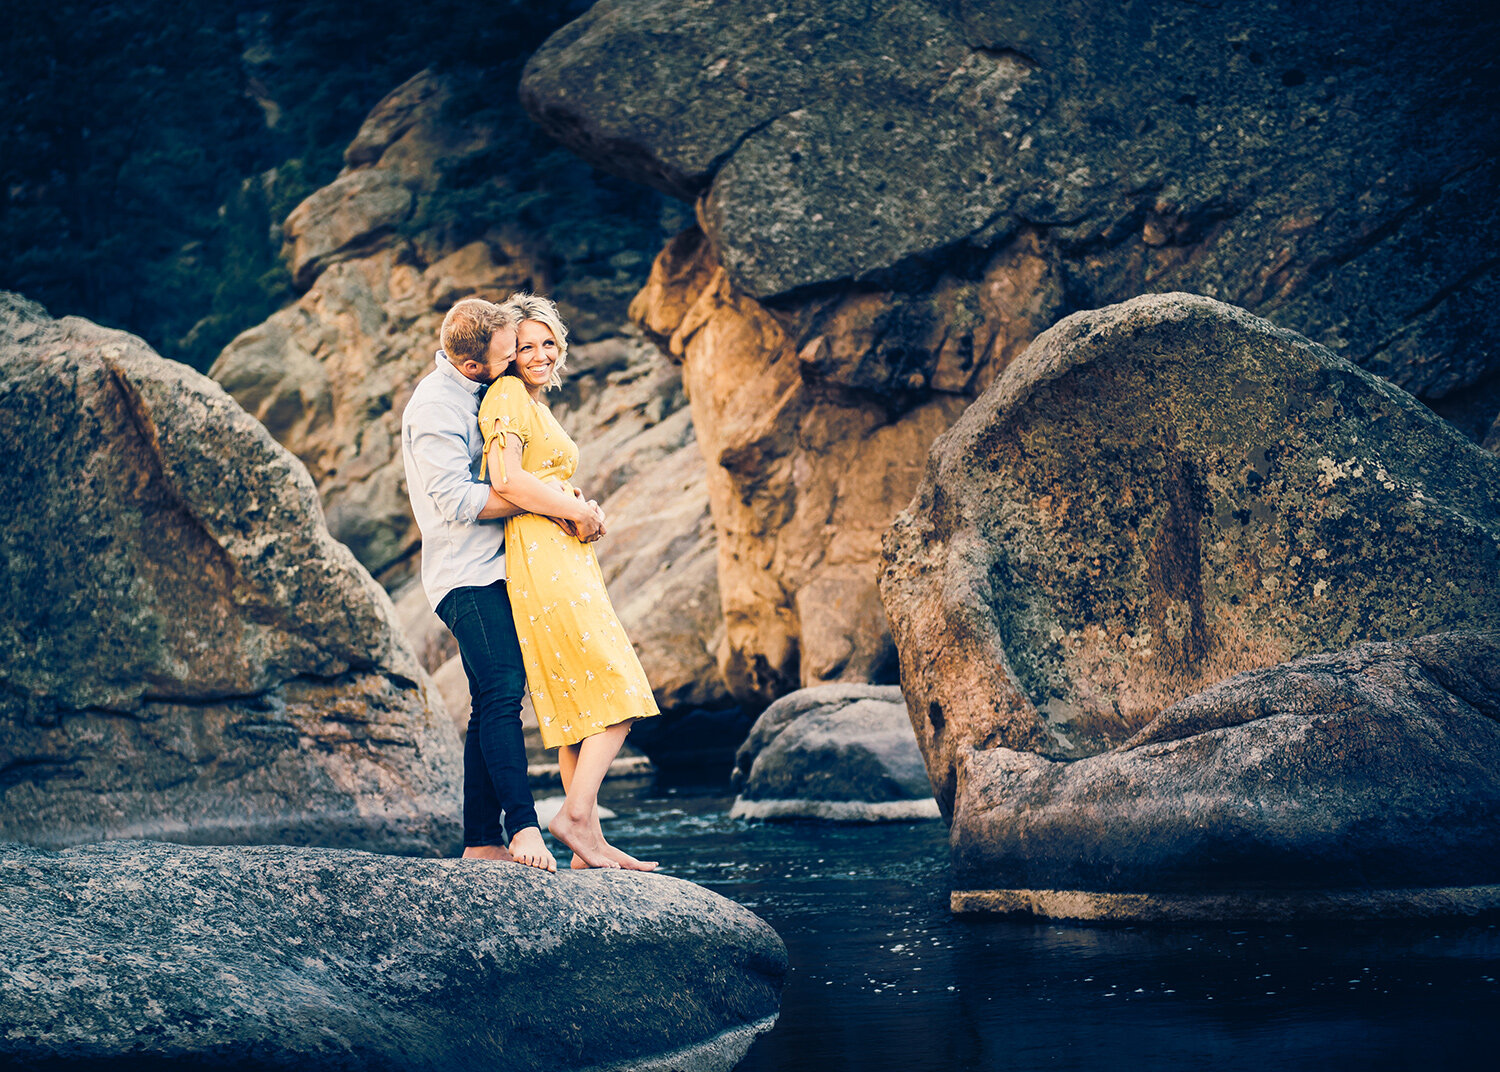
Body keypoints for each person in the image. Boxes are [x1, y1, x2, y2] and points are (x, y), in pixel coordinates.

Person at [400, 297, 606, 872]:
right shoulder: (436, 407)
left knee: (488, 701)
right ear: (473, 365)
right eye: (508, 352)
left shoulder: (490, 391)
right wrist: (557, 507)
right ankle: (523, 829)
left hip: (503, 568)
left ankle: (479, 841)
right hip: (464, 576)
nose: (518, 358)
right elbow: (457, 500)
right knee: (502, 693)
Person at [478, 292, 661, 871]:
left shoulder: (534, 402)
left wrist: (575, 505)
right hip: (542, 557)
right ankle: (574, 816)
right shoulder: (507, 394)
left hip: (560, 553)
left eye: (546, 343)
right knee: (619, 691)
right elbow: (505, 479)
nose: (537, 354)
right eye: (524, 346)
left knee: (576, 702)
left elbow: (535, 476)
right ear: (507, 355)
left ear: (561, 347)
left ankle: (590, 844)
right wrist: (578, 513)